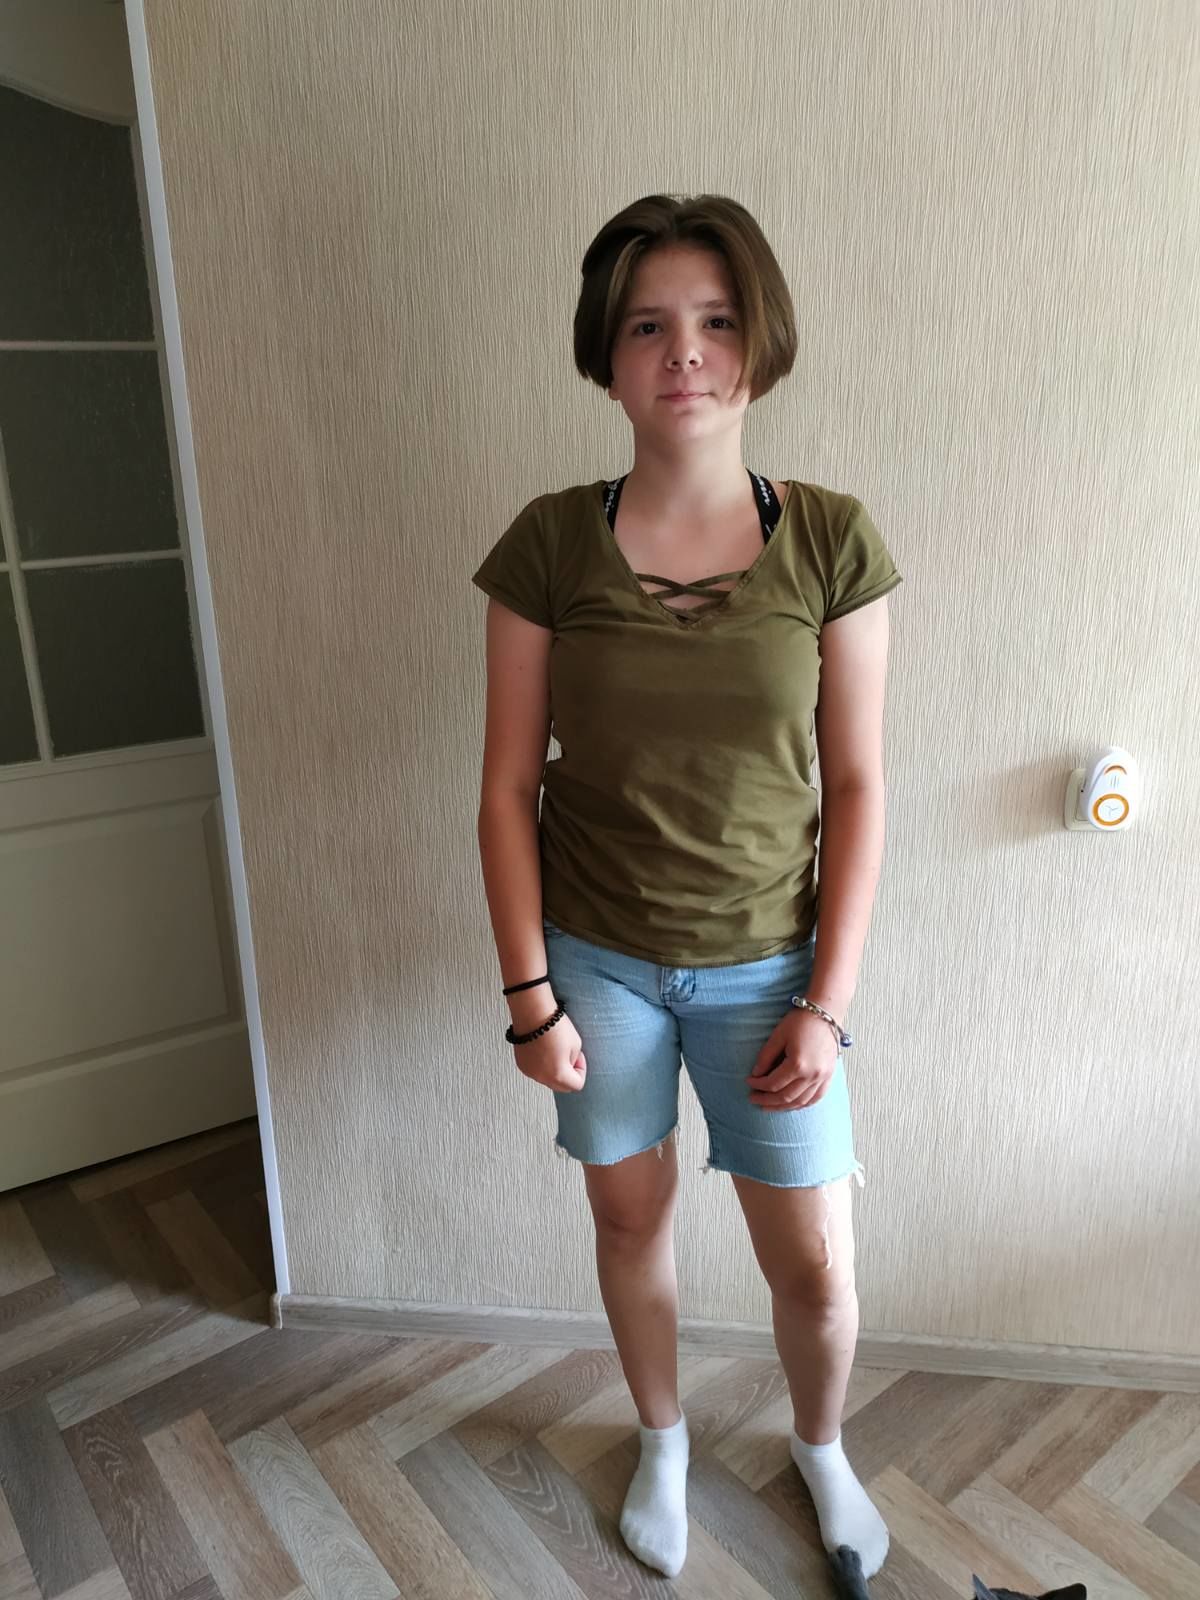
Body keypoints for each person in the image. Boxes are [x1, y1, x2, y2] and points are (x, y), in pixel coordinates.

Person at [473, 193, 901, 1582]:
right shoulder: (549, 543)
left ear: (759, 343)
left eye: (716, 320)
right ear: (607, 356)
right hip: (596, 961)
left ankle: (821, 1447)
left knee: (814, 1262)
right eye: (648, 326)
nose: (686, 353)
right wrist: (530, 996)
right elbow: (506, 789)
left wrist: (827, 1006)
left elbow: (859, 788)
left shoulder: (832, 541)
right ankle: (660, 1439)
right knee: (629, 1218)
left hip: (775, 972)